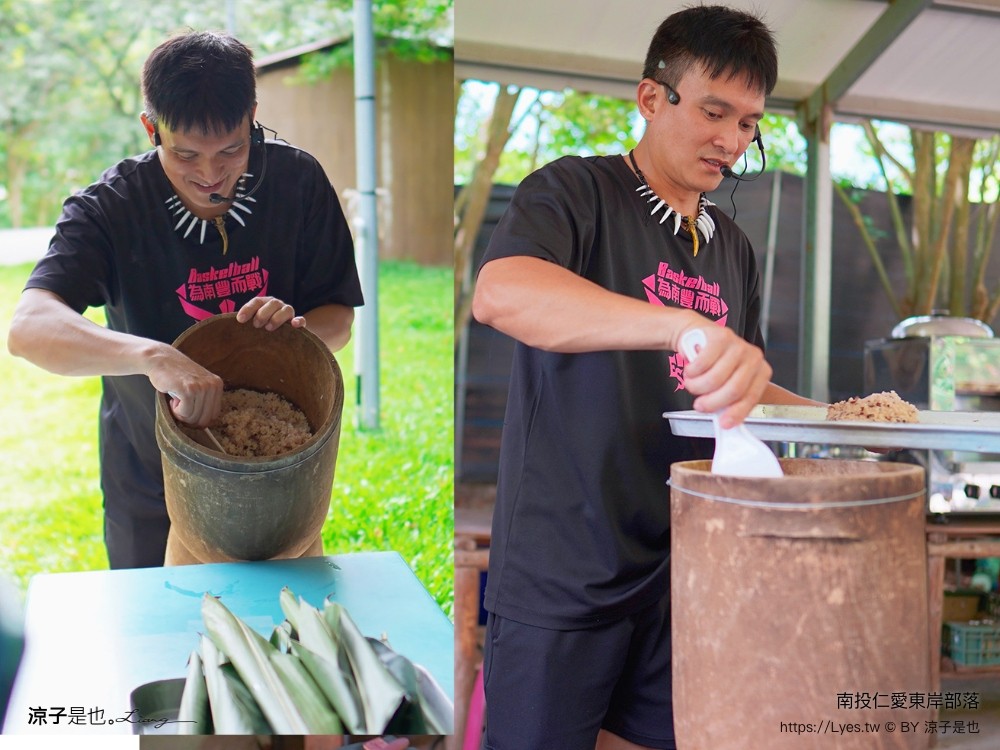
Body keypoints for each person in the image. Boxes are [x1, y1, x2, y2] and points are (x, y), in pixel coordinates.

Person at [471, 5, 820, 750]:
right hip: (565, 569)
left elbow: (736, 384)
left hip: (681, 568)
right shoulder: (573, 192)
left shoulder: (733, 247)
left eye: (750, 123)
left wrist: (840, 416)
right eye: (714, 111)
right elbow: (501, 293)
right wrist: (677, 323)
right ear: (652, 97)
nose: (730, 141)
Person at [6, 31, 364, 570]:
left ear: (252, 116)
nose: (211, 174)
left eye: (232, 149)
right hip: (148, 476)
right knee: (160, 641)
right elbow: (29, 328)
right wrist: (154, 357)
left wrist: (301, 330)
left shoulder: (298, 182)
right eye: (185, 153)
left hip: (273, 478)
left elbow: (338, 318)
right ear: (151, 128)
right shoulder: (111, 207)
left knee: (272, 635)